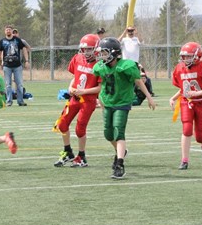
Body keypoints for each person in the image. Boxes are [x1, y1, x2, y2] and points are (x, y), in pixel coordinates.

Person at [93, 37, 156, 179]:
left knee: (118, 131)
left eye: (105, 53)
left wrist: (149, 97)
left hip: (122, 103)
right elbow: (101, 85)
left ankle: (120, 164)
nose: (102, 56)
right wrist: (99, 100)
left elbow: (138, 81)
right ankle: (121, 151)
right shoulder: (100, 67)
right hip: (107, 102)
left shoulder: (126, 66)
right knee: (108, 134)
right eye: (101, 53)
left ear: (114, 53)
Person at [53, 34, 102, 168]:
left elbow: (100, 87)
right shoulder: (77, 58)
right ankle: (68, 151)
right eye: (84, 49)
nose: (86, 52)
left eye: (89, 49)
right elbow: (76, 77)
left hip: (88, 100)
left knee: (80, 129)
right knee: (62, 124)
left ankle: (81, 156)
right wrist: (70, 87)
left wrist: (84, 91)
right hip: (75, 97)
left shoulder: (100, 64)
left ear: (96, 48)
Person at [169, 42, 202, 170]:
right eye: (184, 56)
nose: (185, 59)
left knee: (200, 136)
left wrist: (198, 93)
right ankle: (184, 160)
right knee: (186, 129)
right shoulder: (180, 68)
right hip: (187, 101)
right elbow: (184, 88)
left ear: (197, 56)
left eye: (188, 56)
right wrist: (174, 98)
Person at [0, 25, 29, 107]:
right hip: (7, 66)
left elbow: (24, 48)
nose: (8, 31)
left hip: (17, 66)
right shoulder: (2, 41)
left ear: (11, 31)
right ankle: (9, 101)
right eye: (7, 30)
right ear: (5, 31)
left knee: (19, 84)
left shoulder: (17, 40)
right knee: (8, 84)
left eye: (9, 30)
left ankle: (20, 101)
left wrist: (27, 61)